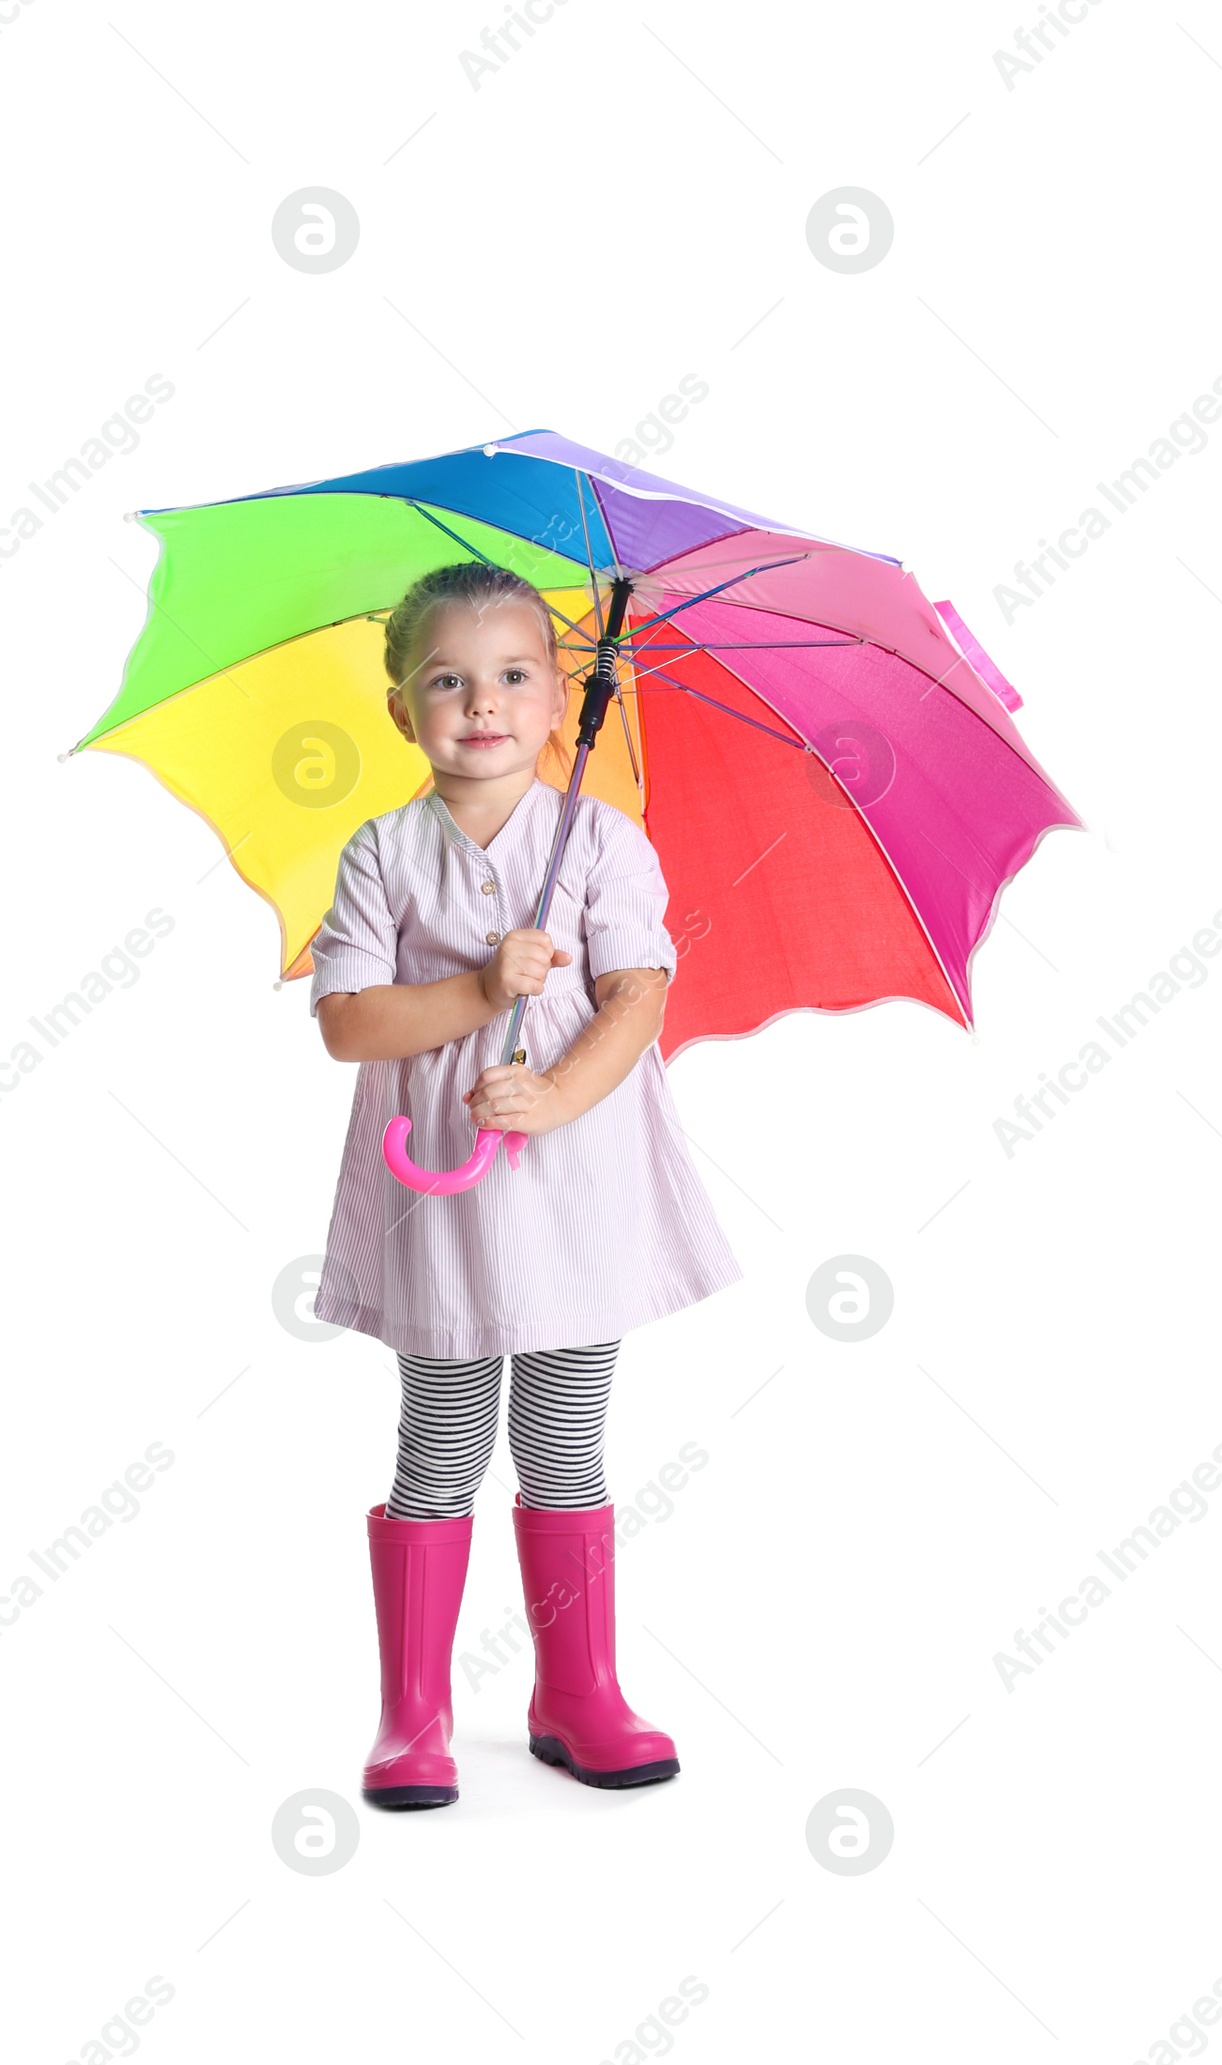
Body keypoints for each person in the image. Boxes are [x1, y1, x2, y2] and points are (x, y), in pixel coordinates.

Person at [308, 560, 741, 1809]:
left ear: (560, 699)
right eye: (447, 679)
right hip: (436, 1200)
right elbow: (347, 1023)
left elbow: (637, 995)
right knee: (439, 1442)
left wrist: (551, 1095)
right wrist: (477, 992)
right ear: (402, 710)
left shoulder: (600, 840)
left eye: (510, 677)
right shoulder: (383, 853)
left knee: (563, 1441)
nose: (480, 702)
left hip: (574, 1190)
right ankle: (413, 1715)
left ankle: (576, 1690)